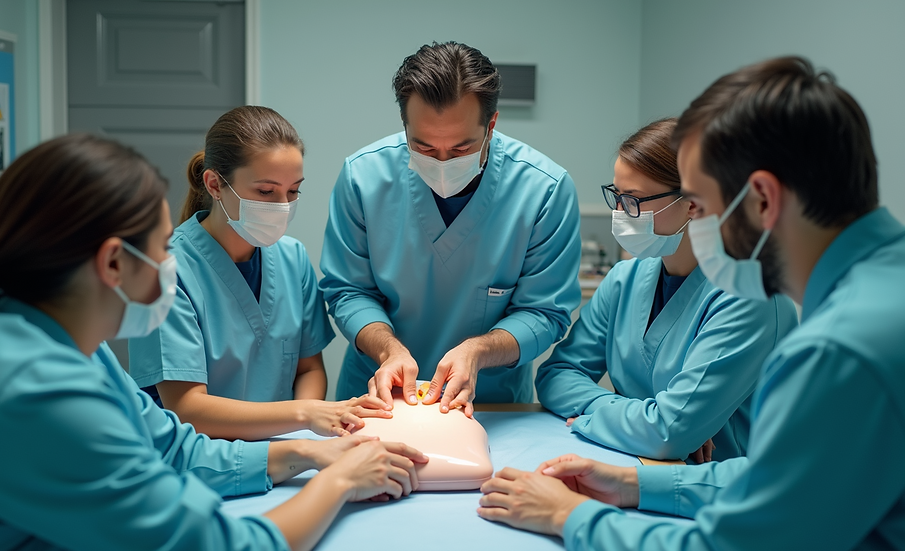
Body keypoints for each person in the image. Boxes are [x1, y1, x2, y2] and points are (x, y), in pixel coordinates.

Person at [478, 56, 905, 550]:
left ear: (762, 198)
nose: (695, 227)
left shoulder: (838, 350)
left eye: (699, 206)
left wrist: (571, 517)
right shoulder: (881, 293)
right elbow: (786, 477)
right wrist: (640, 483)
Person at [0, 133, 427, 551]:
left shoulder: (66, 343)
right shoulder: (34, 394)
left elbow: (172, 450)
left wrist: (310, 455)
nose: (172, 260)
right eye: (162, 246)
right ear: (113, 262)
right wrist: (339, 483)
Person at [320, 42, 582, 415]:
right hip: (381, 398)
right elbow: (348, 290)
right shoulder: (364, 177)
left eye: (460, 149)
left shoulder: (544, 190)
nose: (441, 162)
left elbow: (544, 313)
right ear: (404, 125)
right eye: (424, 147)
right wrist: (388, 350)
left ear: (491, 126)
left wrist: (477, 352)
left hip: (489, 405)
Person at [535, 119, 797, 462]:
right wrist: (631, 415)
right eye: (617, 196)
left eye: (634, 200)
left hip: (721, 494)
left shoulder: (750, 298)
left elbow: (668, 434)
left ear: (693, 204)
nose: (619, 213)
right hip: (634, 469)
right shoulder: (624, 279)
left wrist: (657, 428)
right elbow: (556, 375)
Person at [129, 106, 389, 440]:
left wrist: (298, 437)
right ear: (215, 185)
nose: (282, 205)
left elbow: (309, 369)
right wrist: (304, 415)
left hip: (283, 453)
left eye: (293, 191)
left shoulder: (292, 258)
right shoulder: (167, 271)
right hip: (199, 461)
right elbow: (187, 407)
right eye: (266, 192)